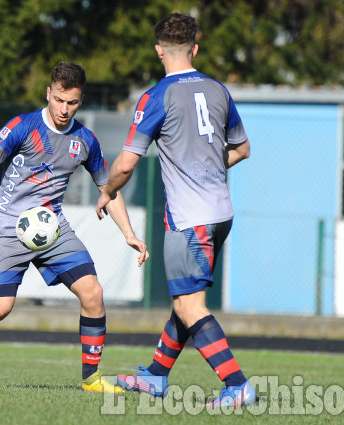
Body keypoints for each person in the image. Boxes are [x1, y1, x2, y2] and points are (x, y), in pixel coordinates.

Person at [0, 61, 149, 394]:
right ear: (49, 92)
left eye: (71, 102)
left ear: (81, 100)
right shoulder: (22, 126)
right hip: (8, 226)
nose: (63, 109)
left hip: (52, 228)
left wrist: (129, 234)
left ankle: (90, 379)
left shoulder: (85, 140)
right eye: (58, 99)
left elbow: (109, 189)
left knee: (93, 293)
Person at [96, 13, 255, 407]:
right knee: (184, 300)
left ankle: (237, 386)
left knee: (190, 305)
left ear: (158, 50)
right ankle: (155, 376)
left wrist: (108, 191)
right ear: (195, 48)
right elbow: (242, 149)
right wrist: (209, 169)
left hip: (189, 218)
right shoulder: (219, 91)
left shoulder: (156, 96)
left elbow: (127, 163)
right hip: (220, 213)